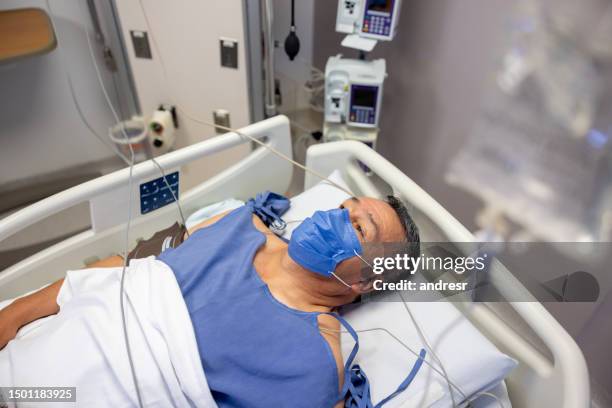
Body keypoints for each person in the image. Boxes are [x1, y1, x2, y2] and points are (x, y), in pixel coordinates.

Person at [0, 193, 419, 407]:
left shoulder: (316, 362)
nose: (334, 218)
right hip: (29, 356)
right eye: (343, 208)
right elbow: (126, 269)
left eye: (359, 228)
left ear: (366, 280)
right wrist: (15, 313)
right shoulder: (239, 222)